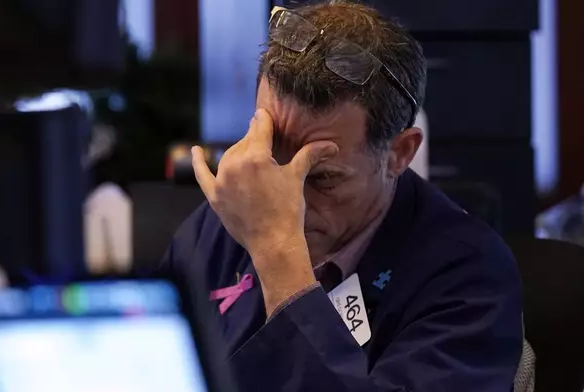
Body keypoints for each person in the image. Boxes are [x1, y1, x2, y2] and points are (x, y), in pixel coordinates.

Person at [162, 2, 523, 391]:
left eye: (322, 177)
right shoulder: (218, 226)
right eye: (271, 162)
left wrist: (277, 256)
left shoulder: (468, 276)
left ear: (399, 153)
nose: (285, 199)